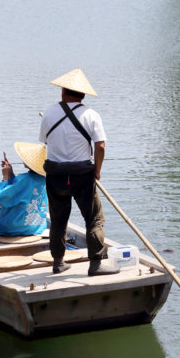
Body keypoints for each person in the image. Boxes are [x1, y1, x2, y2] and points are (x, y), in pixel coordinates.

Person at [39, 68, 119, 276]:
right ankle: (96, 263)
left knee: (58, 219)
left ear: (63, 91)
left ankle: (58, 262)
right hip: (82, 175)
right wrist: (98, 171)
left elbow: (45, 142)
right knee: (94, 219)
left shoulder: (48, 112)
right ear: (82, 95)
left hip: (56, 175)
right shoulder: (91, 115)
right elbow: (100, 146)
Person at [0, 142, 48, 238]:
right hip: (36, 227)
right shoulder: (45, 181)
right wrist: (11, 175)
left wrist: (6, 179)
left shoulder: (23, 179)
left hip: (14, 228)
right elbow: (21, 190)